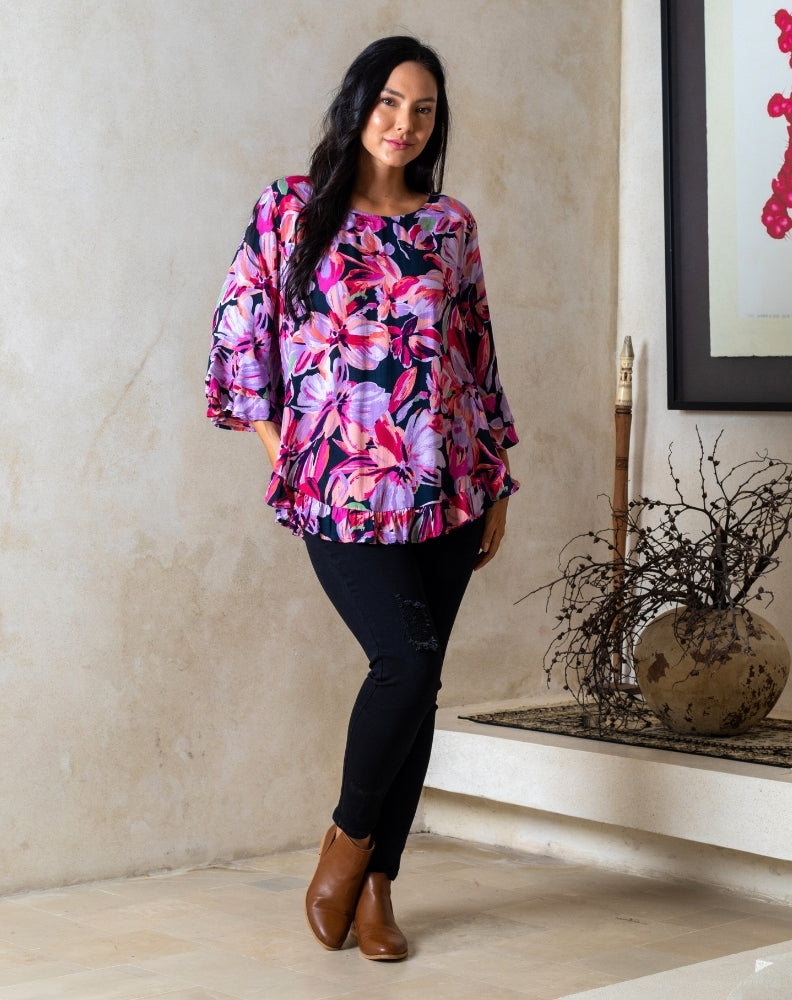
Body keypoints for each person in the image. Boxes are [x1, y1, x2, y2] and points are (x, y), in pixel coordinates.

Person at [205, 35, 518, 962]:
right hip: (337, 489)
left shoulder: (449, 226)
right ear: (358, 104)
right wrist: (284, 449)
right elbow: (237, 338)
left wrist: (498, 477)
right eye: (388, 102)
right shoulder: (291, 210)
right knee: (405, 660)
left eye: (422, 110)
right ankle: (345, 844)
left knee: (418, 688)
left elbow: (475, 356)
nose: (403, 124)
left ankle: (380, 889)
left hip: (446, 488)